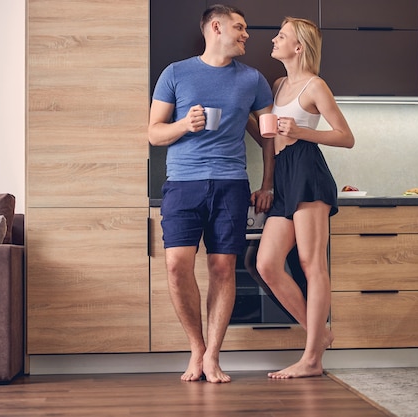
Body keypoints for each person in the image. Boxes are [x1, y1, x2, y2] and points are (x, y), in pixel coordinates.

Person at [147, 4, 275, 383]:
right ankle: (196, 348)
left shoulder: (252, 79)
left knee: (222, 269)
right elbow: (154, 133)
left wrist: (268, 183)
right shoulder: (176, 73)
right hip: (182, 184)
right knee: (176, 266)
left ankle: (214, 355)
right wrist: (185, 124)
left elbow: (267, 137)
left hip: (231, 184)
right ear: (216, 28)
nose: (247, 35)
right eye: (240, 27)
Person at [249, 17, 355, 379]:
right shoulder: (277, 84)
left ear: (298, 48)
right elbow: (268, 138)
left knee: (312, 265)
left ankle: (311, 360)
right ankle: (319, 336)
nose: (275, 40)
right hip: (283, 175)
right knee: (266, 264)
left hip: (308, 171)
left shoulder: (315, 86)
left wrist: (301, 132)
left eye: (282, 36)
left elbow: (345, 137)